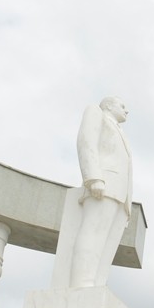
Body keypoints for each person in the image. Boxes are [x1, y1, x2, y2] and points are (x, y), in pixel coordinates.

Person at [54, 96, 133, 289]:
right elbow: (86, 141)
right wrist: (93, 177)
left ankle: (96, 284)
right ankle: (82, 283)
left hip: (119, 192)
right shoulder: (96, 113)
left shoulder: (120, 131)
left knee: (106, 241)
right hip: (103, 182)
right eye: (122, 106)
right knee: (93, 231)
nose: (126, 110)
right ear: (108, 105)